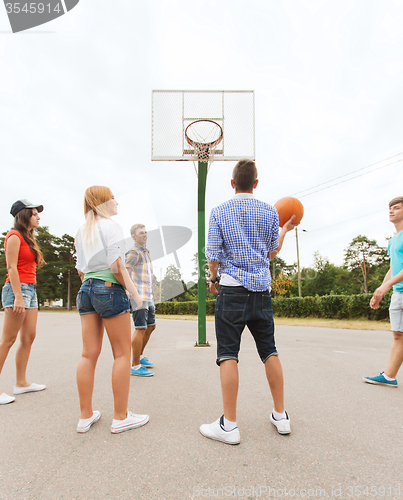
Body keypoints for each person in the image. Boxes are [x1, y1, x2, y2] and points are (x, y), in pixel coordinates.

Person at [199, 160, 297, 445]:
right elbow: (270, 254)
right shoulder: (269, 211)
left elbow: (213, 255)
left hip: (232, 290)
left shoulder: (219, 211)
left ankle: (229, 426)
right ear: (256, 183)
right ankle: (281, 415)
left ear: (232, 183)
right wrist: (285, 231)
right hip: (261, 291)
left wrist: (214, 278)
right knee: (269, 351)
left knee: (229, 354)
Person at [75, 186, 149, 433]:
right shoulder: (111, 227)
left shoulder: (82, 230)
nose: (117, 201)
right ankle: (120, 417)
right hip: (109, 287)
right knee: (121, 354)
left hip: (86, 290)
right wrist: (134, 293)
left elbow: (80, 270)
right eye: (113, 197)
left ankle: (85, 416)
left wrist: (93, 285)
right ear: (104, 202)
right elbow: (117, 266)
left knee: (88, 354)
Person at [0, 199, 46, 405]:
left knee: (28, 336)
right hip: (17, 290)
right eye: (34, 213)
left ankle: (21, 383)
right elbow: (11, 268)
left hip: (31, 290)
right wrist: (18, 297)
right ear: (23, 215)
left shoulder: (28, 238)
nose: (38, 217)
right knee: (8, 341)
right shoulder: (14, 236)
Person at [363, 196, 403, 387]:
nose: (391, 211)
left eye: (396, 208)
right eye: (390, 208)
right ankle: (389, 375)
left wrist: (386, 286)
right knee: (398, 336)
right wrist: (380, 290)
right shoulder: (393, 240)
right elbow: (392, 268)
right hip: (398, 293)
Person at [125, 224, 156, 377]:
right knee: (140, 328)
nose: (144, 235)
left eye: (145, 232)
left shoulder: (146, 252)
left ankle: (140, 356)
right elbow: (126, 272)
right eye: (141, 233)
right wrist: (129, 293)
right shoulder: (133, 252)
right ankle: (135, 366)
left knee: (151, 326)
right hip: (138, 296)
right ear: (133, 236)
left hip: (148, 296)